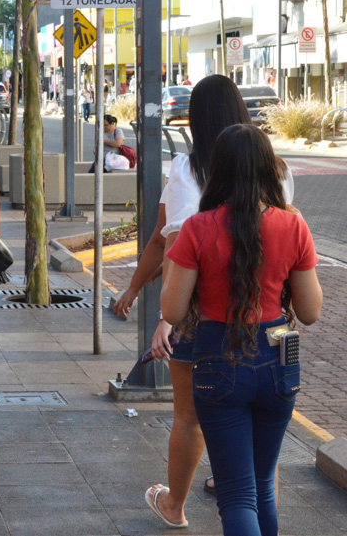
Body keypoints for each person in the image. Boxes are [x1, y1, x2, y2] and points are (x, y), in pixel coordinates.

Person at [113, 75, 295, 528]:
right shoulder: (278, 171)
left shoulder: (187, 171)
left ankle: (175, 504)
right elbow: (309, 305)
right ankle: (248, 487)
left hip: (204, 320)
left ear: (195, 120)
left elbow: (168, 243)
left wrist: (148, 302)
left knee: (191, 418)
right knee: (260, 467)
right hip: (270, 327)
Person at [161, 123, 321, 536]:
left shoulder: (198, 227)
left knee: (236, 495)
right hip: (279, 357)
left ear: (218, 170)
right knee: (263, 485)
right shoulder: (293, 225)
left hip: (218, 357)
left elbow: (172, 310)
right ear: (269, 168)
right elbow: (310, 311)